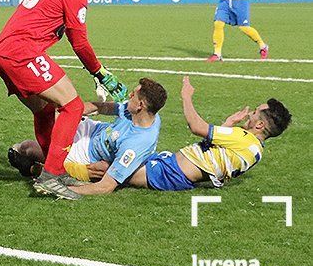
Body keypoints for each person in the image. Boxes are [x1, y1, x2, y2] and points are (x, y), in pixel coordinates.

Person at [0, 0, 128, 200]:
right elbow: (79, 43)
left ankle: (53, 170)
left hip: (3, 52)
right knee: (73, 106)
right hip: (22, 52)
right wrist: (99, 72)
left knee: (45, 109)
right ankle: (51, 176)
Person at [8, 78, 167, 198]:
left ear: (140, 106)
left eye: (133, 94)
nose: (129, 95)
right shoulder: (139, 112)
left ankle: (37, 169)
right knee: (53, 107)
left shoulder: (136, 144)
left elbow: (105, 186)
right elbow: (102, 107)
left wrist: (65, 190)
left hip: (85, 154)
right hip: (92, 129)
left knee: (25, 149)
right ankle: (18, 80)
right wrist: (71, 112)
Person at [124, 77, 290, 191]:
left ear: (260, 124)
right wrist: (228, 124)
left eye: (255, 113)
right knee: (115, 162)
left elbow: (196, 127)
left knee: (110, 170)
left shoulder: (242, 138)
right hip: (170, 165)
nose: (251, 114)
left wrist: (186, 97)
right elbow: (217, 155)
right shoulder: (255, 149)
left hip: (170, 173)